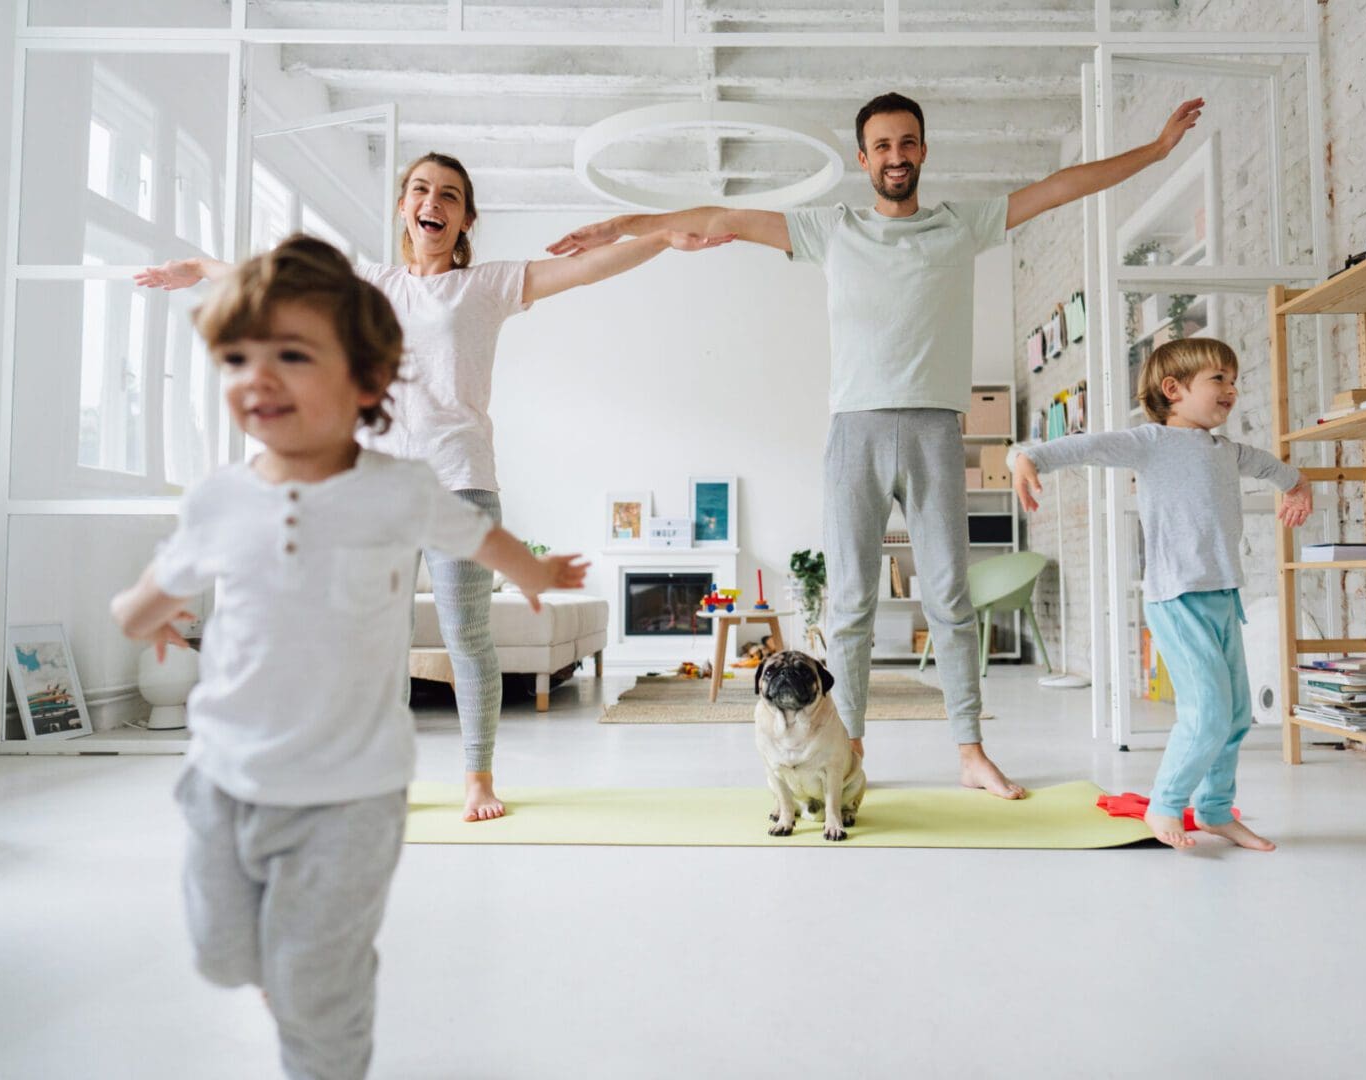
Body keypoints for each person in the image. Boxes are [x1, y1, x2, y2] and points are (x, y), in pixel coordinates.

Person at [547, 92, 1206, 798]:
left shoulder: (962, 224)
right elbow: (723, 216)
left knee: (951, 598)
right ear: (864, 159)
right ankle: (850, 747)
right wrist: (628, 226)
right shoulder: (833, 230)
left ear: (923, 150)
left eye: (908, 142)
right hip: (854, 432)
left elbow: (1058, 189)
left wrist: (1158, 152)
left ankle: (970, 751)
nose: (896, 156)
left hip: (932, 429)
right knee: (853, 602)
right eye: (883, 146)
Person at [112, 237, 588, 1079]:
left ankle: (326, 990)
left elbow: (480, 536)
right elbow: (148, 597)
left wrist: (539, 572)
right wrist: (144, 614)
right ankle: (290, 970)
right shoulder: (221, 498)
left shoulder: (398, 490)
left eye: (292, 357)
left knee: (315, 997)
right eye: (238, 358)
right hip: (228, 779)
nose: (258, 377)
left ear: (367, 384)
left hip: (354, 789)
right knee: (223, 957)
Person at [136, 151, 732, 822]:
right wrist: (202, 270)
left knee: (467, 637)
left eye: (450, 195)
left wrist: (659, 239)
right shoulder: (369, 282)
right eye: (422, 189)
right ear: (403, 207)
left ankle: (478, 778)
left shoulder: (486, 286)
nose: (435, 202)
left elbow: (585, 268)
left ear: (465, 218)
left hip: (461, 482)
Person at [1008, 338, 1313, 849]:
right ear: (1173, 389)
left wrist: (1297, 487)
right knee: (1208, 712)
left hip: (1223, 595)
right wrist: (1026, 456)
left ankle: (1215, 810)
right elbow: (1086, 445)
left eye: (1234, 380)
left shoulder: (1225, 450)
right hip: (1176, 598)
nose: (1232, 390)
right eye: (1219, 379)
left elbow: (1274, 469)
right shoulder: (1150, 442)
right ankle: (1167, 804)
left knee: (1237, 714)